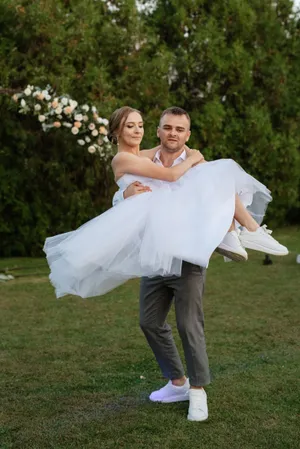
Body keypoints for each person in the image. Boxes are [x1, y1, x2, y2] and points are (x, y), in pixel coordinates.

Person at [44, 105, 288, 422]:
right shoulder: (146, 160)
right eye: (166, 128)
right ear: (160, 131)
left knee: (189, 324)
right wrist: (123, 196)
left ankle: (198, 392)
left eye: (179, 129)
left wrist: (200, 168)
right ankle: (177, 382)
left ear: (187, 134)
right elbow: (135, 191)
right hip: (155, 255)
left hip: (187, 256)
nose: (171, 133)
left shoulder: (197, 167)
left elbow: (216, 192)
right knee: (149, 321)